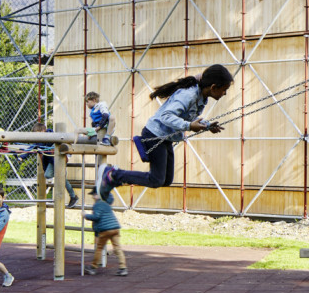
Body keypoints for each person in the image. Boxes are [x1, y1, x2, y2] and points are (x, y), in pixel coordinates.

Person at [96, 64, 233, 203]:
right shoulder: (189, 95)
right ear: (213, 87)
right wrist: (189, 126)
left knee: (166, 180)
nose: (225, 94)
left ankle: (113, 176)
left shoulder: (201, 97)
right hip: (154, 134)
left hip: (165, 137)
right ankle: (113, 174)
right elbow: (166, 116)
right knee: (156, 179)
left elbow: (186, 117)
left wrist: (207, 125)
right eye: (224, 90)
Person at [83, 198, 128, 276]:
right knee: (117, 248)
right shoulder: (107, 204)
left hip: (105, 230)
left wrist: (85, 215)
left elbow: (96, 217)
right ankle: (123, 268)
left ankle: (93, 267)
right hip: (115, 227)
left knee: (99, 248)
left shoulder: (97, 204)